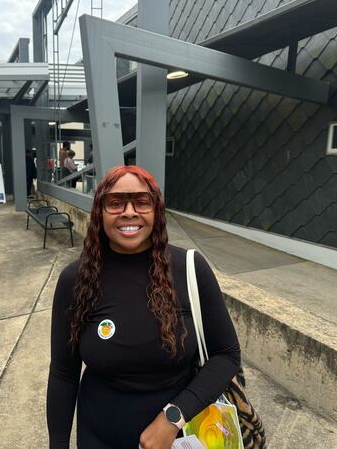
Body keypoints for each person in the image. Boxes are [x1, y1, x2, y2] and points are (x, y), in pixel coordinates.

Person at [47, 165, 241, 449]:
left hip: (182, 436)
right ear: (99, 212)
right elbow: (63, 374)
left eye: (141, 201)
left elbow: (226, 354)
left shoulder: (189, 269)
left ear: (156, 210)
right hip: (99, 437)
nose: (128, 212)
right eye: (115, 203)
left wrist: (173, 417)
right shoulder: (75, 281)